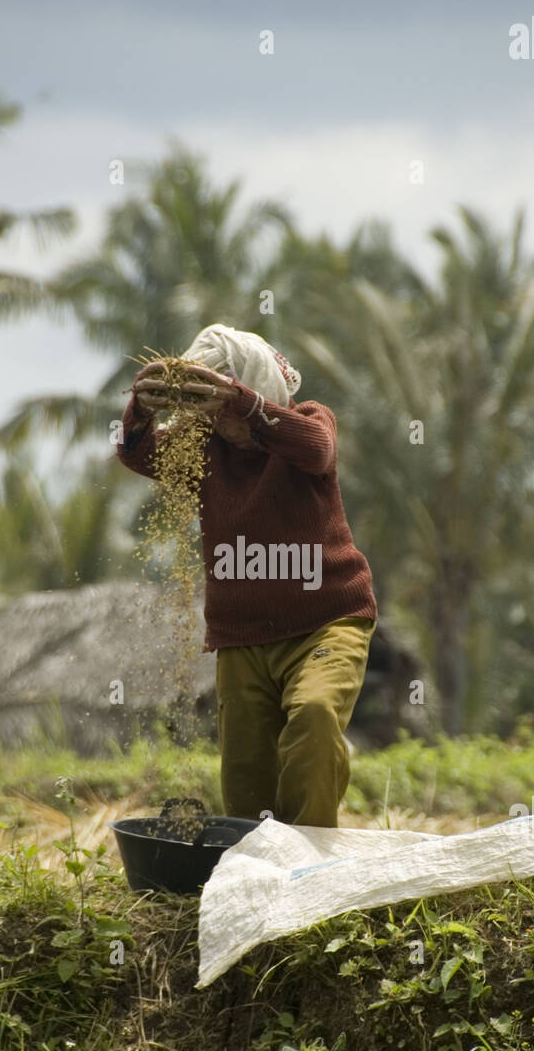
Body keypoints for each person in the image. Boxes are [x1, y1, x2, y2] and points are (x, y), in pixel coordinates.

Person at [116, 323, 377, 828]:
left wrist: (244, 407)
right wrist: (142, 411)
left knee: (316, 715)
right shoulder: (201, 450)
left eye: (226, 409)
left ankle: (311, 859)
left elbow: (318, 448)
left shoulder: (307, 423)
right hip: (242, 639)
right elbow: (135, 452)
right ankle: (258, 873)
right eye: (208, 411)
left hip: (327, 621)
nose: (220, 423)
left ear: (259, 392)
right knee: (246, 779)